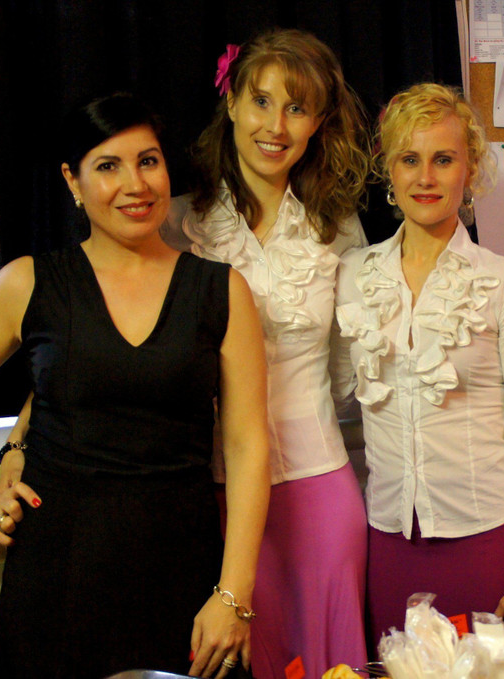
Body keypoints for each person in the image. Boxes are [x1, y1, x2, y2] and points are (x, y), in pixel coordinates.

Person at [0, 92, 270, 679]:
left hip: (182, 570)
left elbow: (248, 446)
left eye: (148, 161)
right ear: (72, 182)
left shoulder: (221, 289)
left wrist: (233, 594)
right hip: (57, 571)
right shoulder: (29, 283)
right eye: (108, 166)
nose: (136, 184)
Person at [160, 29, 372, 678]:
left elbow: (346, 371)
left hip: (319, 488)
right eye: (261, 101)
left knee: (332, 664)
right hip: (211, 492)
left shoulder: (339, 226)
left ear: (319, 123)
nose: (275, 126)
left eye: (297, 108)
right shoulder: (177, 224)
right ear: (230, 103)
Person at [334, 83, 504, 644]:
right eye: (409, 159)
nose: (426, 177)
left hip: (487, 540)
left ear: (470, 168)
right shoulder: (352, 275)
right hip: (387, 543)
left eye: (443, 159)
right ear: (389, 170)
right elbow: (329, 389)